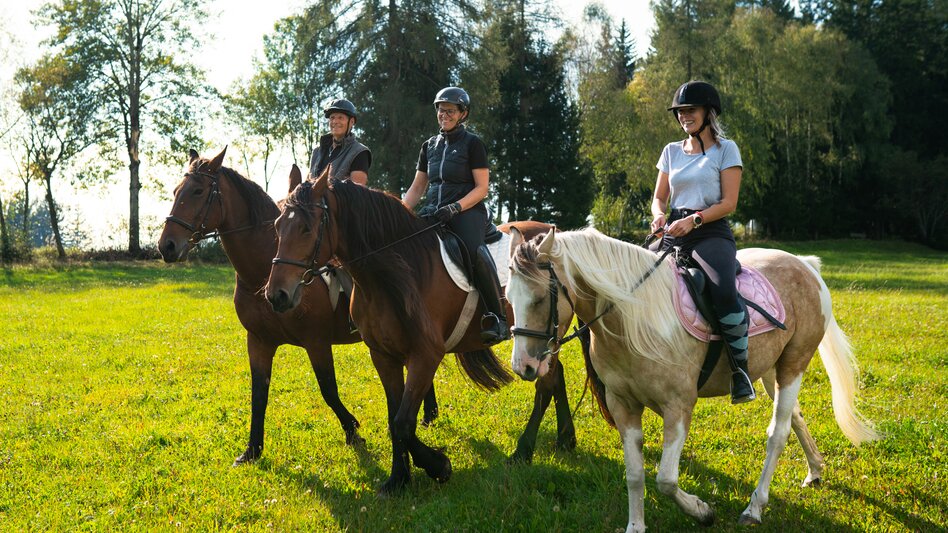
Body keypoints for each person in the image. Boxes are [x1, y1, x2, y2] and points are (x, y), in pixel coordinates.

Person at [650, 80, 755, 404]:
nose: (684, 117)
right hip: (673, 232)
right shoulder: (670, 151)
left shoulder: (727, 150)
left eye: (690, 110)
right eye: (680, 112)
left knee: (723, 288)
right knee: (636, 279)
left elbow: (729, 203)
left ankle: (741, 371)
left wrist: (694, 220)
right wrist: (658, 216)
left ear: (708, 113)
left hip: (710, 231)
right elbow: (659, 197)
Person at [402, 87, 508, 345]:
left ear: (463, 114)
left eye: (450, 110)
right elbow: (418, 187)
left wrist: (457, 207)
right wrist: (400, 212)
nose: (444, 114)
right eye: (441, 109)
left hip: (466, 212)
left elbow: (482, 187)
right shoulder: (429, 146)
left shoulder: (473, 144)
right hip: (433, 212)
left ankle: (498, 316)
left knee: (474, 250)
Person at [308, 98, 371, 185]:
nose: (335, 121)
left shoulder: (360, 152)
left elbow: (357, 194)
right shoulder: (316, 152)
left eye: (340, 117)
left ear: (351, 122)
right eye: (332, 117)